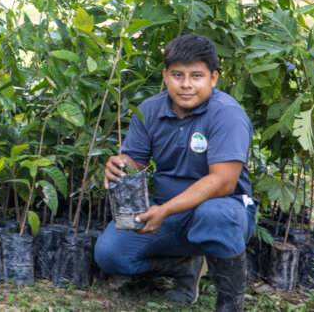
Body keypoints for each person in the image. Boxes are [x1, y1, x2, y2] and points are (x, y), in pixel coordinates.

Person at [94, 34, 254, 312]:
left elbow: (223, 182)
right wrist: (119, 165)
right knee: (110, 254)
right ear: (166, 76)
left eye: (196, 75)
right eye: (178, 75)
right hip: (168, 212)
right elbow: (135, 162)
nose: (186, 84)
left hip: (224, 211)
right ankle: (185, 267)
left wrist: (164, 211)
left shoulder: (226, 113)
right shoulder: (150, 110)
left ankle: (230, 305)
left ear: (213, 78)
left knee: (215, 214)